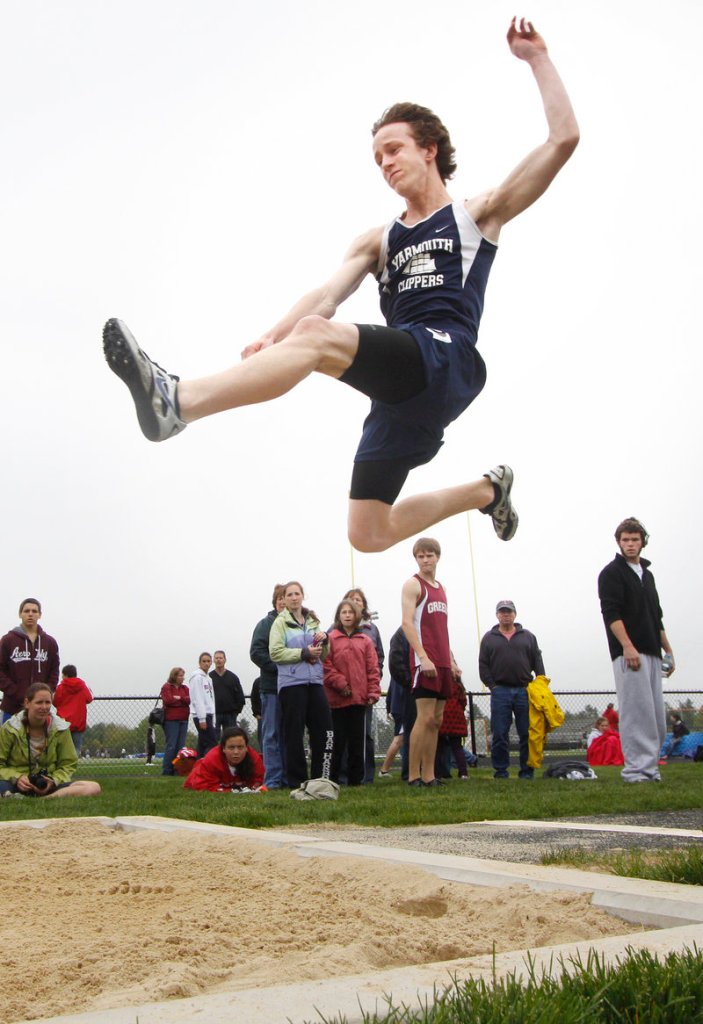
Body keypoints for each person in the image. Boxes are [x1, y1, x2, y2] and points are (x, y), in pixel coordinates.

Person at [103, 19, 578, 553]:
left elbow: (563, 140)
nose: (385, 163)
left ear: (430, 149)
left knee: (318, 334)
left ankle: (178, 402)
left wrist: (537, 58)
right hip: (401, 391)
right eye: (377, 158)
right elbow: (326, 297)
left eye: (394, 149)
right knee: (368, 534)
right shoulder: (377, 240)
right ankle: (487, 492)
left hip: (445, 357)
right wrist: (275, 335)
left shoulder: (477, 215)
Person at [598, 517, 675, 783]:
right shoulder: (611, 573)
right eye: (625, 540)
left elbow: (657, 616)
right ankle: (636, 772)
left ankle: (650, 769)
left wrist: (668, 650)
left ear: (643, 542)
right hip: (629, 654)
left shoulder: (647, 574)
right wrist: (627, 646)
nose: (630, 544)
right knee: (636, 713)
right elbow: (611, 613)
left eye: (635, 539)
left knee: (655, 717)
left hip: (653, 651)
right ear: (619, 542)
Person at [402, 537, 461, 787]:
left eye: (430, 555)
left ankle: (429, 775)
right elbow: (407, 624)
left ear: (438, 557)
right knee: (423, 718)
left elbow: (442, 628)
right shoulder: (413, 585)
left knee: (437, 720)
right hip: (424, 660)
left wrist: (452, 660)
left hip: (442, 661)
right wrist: (423, 657)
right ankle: (414, 774)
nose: (425, 560)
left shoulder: (441, 588)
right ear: (416, 559)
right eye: (421, 556)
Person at [269, 581, 332, 789]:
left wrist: (324, 641)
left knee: (323, 731)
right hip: (291, 684)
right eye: (290, 595)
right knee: (294, 734)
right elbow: (275, 653)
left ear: (303, 596)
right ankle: (296, 780)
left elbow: (323, 654)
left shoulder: (313, 620)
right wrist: (303, 653)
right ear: (284, 599)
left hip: (315, 682)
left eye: (297, 593)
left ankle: (320, 778)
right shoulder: (280, 623)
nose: (294, 597)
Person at [478, 600, 545, 780]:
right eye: (502, 612)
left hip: (524, 690)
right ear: (497, 615)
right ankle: (501, 772)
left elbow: (537, 661)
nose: (506, 614)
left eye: (509, 611)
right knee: (499, 733)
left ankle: (527, 771)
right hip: (500, 691)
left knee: (527, 733)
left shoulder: (528, 636)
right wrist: (493, 686)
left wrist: (541, 682)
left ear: (515, 614)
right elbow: (483, 665)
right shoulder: (489, 638)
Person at [0, 683, 101, 798]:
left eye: (47, 702)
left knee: (93, 787)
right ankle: (13, 794)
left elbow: (68, 764)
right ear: (27, 703)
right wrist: (17, 778)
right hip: (16, 783)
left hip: (47, 784)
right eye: (39, 702)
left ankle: (46, 798)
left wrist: (53, 780)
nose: (44, 707)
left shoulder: (60, 728)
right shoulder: (10, 728)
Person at [323, 599, 381, 786]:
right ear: (338, 616)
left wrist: (373, 692)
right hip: (337, 700)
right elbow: (325, 666)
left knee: (357, 743)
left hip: (358, 700)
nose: (347, 615)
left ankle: (357, 781)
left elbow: (372, 668)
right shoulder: (330, 639)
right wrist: (340, 684)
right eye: (343, 612)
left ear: (357, 616)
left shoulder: (365, 641)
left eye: (350, 612)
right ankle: (333, 780)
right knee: (337, 742)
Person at [343, 588, 384, 782]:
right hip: (342, 691)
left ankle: (366, 776)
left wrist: (374, 681)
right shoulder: (334, 630)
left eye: (358, 600)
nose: (355, 602)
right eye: (351, 600)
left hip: (365, 690)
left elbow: (379, 657)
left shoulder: (372, 630)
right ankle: (343, 775)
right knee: (343, 734)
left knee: (365, 734)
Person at [250, 584, 287, 789]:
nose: (283, 601)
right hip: (272, 688)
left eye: (286, 597)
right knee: (271, 734)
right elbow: (256, 652)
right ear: (275, 601)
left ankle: (288, 776)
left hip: (292, 689)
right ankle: (272, 779)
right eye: (279, 598)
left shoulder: (295, 623)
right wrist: (278, 667)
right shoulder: (265, 624)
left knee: (289, 734)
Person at [0, 598, 60, 721]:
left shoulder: (50, 643)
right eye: (26, 611)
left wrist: (44, 693)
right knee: (9, 740)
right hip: (12, 708)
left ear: (40, 615)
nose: (30, 614)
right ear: (20, 614)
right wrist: (16, 692)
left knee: (40, 741)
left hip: (40, 711)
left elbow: (54, 671)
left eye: (34, 611)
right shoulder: (7, 640)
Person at [184, 726, 265, 792]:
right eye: (231, 747)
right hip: (197, 777)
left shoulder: (254, 759)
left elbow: (259, 782)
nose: (236, 752)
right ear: (223, 748)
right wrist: (232, 791)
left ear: (246, 748)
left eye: (240, 747)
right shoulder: (212, 760)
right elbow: (204, 786)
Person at [52, 664, 93, 755]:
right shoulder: (82, 686)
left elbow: (55, 702)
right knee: (76, 748)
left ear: (65, 675)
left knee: (62, 749)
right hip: (78, 721)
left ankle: (63, 767)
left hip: (63, 722)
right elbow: (89, 698)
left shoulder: (60, 687)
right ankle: (72, 767)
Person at [435, 677, 469, 780]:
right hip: (456, 717)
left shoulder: (440, 681)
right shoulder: (458, 685)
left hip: (442, 715)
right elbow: (463, 701)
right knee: (457, 747)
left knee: (439, 747)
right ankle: (463, 773)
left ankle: (438, 773)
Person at [160, 666, 191, 776]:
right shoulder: (166, 687)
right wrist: (179, 700)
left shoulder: (185, 688)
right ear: (174, 676)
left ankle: (177, 769)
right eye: (180, 676)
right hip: (171, 720)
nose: (182, 678)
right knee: (171, 745)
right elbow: (168, 700)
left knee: (180, 746)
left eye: (183, 676)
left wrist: (179, 698)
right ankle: (167, 770)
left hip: (184, 719)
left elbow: (188, 700)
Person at [188, 652, 218, 758]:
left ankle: (198, 768)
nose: (206, 663)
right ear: (199, 663)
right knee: (212, 742)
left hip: (209, 713)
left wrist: (213, 717)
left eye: (208, 661)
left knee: (202, 744)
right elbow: (197, 698)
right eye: (204, 661)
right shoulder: (197, 678)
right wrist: (202, 718)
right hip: (201, 715)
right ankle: (208, 766)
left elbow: (210, 698)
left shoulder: (208, 678)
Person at [209, 650, 245, 735]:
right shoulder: (209, 677)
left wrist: (236, 711)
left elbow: (240, 696)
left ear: (225, 660)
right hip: (214, 714)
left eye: (221, 658)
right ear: (213, 660)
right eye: (216, 658)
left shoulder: (233, 677)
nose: (218, 660)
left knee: (230, 738)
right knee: (213, 739)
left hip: (230, 715)